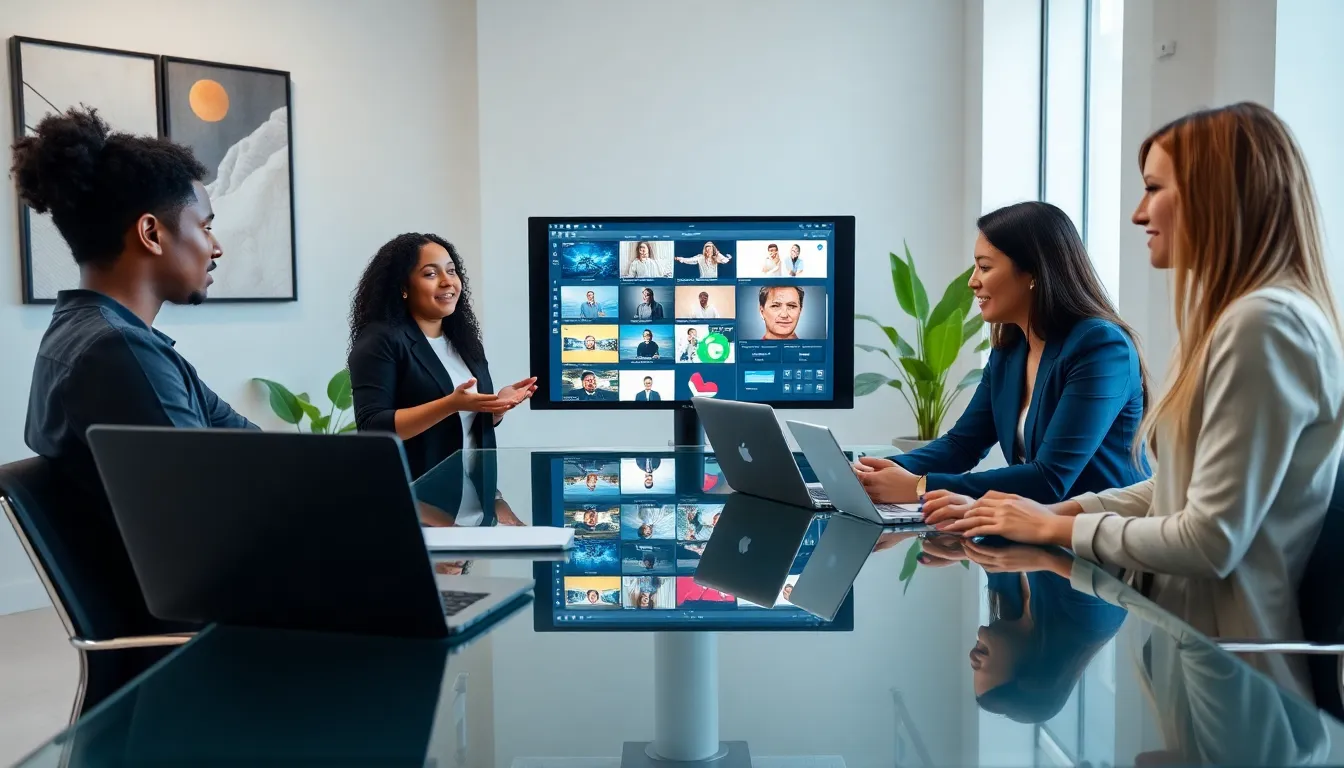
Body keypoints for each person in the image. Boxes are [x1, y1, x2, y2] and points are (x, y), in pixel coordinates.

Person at [938, 104, 1344, 695]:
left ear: (1215, 196)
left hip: (1239, 678)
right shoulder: (1228, 323)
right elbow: (1173, 485)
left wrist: (1057, 530)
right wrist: (1062, 515)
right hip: (1200, 657)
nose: (1138, 212)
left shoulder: (1263, 326)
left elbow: (1209, 540)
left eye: (1154, 188)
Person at [12, 107, 257, 665]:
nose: (215, 246)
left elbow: (247, 442)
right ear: (151, 232)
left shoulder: (91, 337)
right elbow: (215, 521)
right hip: (208, 641)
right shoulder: (117, 353)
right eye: (206, 225)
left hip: (193, 613)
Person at [855, 201, 1150, 507]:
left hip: (1103, 540)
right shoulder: (1011, 350)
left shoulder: (1101, 346)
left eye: (984, 267)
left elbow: (1049, 479)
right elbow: (962, 445)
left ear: (1033, 272)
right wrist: (882, 471)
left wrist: (920, 487)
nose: (972, 281)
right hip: (1037, 532)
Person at [348, 233, 536, 484]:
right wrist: (450, 404)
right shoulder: (380, 340)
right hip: (418, 501)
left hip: (474, 498)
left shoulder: (463, 339)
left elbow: (462, 424)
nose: (448, 282)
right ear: (403, 287)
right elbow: (373, 427)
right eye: (430, 274)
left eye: (452, 271)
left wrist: (495, 407)